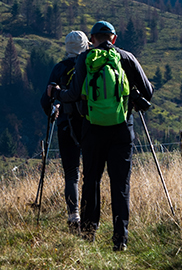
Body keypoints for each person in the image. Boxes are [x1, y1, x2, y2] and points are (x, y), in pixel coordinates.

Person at [61, 20, 154, 251]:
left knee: (91, 180)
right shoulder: (127, 58)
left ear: (92, 39)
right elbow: (149, 92)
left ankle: (89, 235)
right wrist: (131, 95)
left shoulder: (85, 59)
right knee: (120, 184)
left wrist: (56, 93)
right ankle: (120, 240)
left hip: (92, 130)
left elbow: (73, 94)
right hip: (122, 129)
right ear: (113, 38)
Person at [41, 30, 89, 230]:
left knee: (71, 173)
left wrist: (53, 114)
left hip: (66, 126)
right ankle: (90, 215)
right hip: (90, 124)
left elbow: (46, 99)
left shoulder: (59, 68)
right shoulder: (89, 65)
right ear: (86, 45)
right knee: (91, 173)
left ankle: (73, 216)